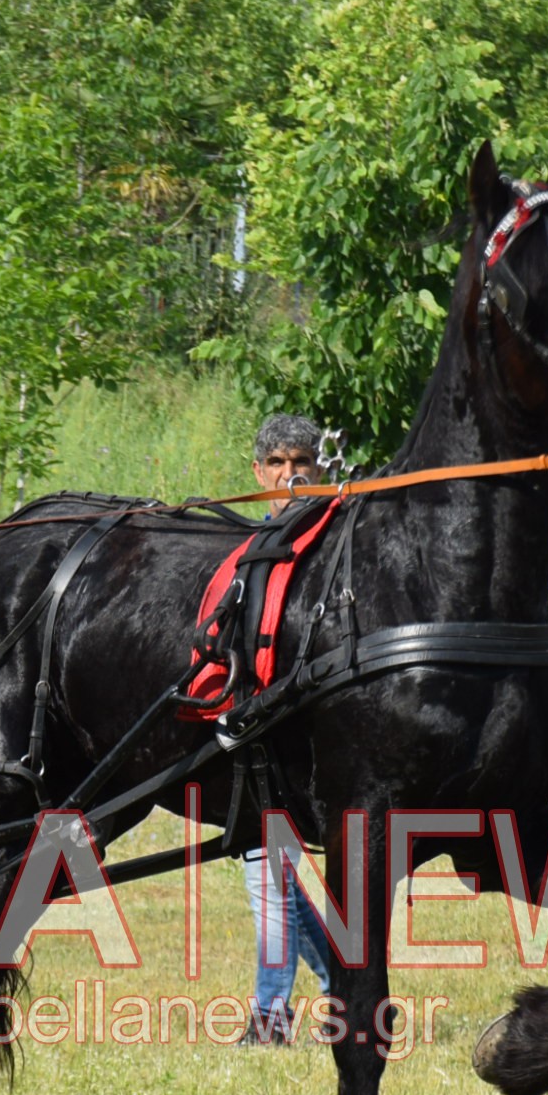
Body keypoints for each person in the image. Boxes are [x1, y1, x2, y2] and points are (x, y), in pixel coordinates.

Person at [238, 413, 341, 1045]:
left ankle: (270, 1017)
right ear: (257, 474)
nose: (290, 473)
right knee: (272, 878)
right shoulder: (244, 554)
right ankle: (342, 985)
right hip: (252, 743)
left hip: (310, 745)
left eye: (300, 460)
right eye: (276, 463)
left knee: (267, 881)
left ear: (319, 469)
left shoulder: (332, 553)